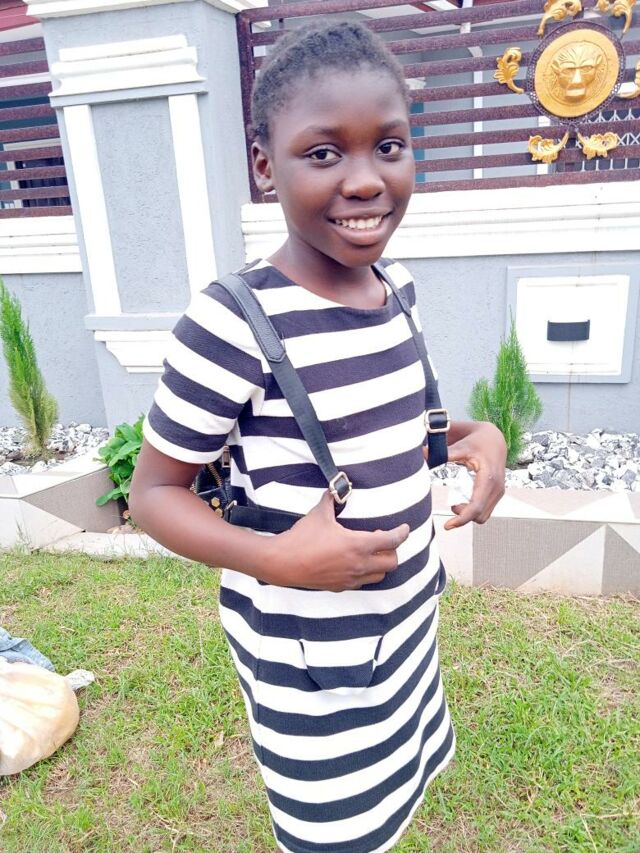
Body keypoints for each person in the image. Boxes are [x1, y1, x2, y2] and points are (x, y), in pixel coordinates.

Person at [129, 20, 507, 853]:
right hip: (310, 653)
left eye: (389, 146)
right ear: (266, 166)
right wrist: (278, 560)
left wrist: (474, 436)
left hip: (402, 621)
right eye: (325, 152)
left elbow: (390, 420)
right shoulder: (232, 323)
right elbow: (152, 495)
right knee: (333, 825)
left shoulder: (396, 286)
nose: (366, 180)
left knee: (393, 796)